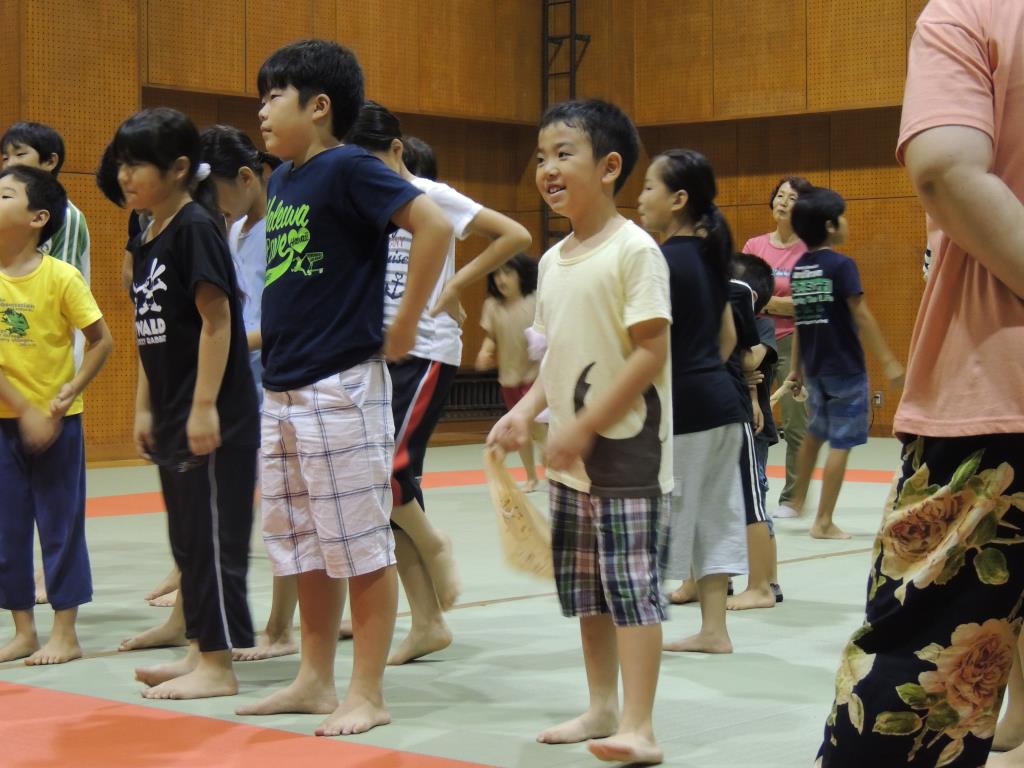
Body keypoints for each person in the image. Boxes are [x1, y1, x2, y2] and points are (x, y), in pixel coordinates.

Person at [817, 1, 1024, 765]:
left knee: (920, 668)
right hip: (840, 377)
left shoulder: (972, 11)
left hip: (991, 397)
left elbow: (943, 168)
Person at [235, 40, 451, 737]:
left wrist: (407, 319)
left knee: (359, 545)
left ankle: (368, 693)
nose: (262, 110)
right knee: (304, 545)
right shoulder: (283, 182)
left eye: (274, 96)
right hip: (284, 389)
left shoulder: (352, 167)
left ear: (319, 106)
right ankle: (314, 680)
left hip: (340, 387)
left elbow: (433, 223)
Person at [489, 98, 671, 766]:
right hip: (570, 459)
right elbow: (556, 359)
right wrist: (526, 411)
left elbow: (650, 353)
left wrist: (588, 426)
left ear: (610, 166)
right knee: (589, 589)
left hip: (627, 455)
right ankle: (600, 706)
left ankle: (639, 725)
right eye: (541, 156)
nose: (548, 168)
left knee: (632, 589)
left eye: (564, 153)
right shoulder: (553, 260)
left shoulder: (635, 251)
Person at [116, 107, 260, 700]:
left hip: (215, 412)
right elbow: (148, 332)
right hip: (173, 406)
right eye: (121, 164)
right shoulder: (149, 233)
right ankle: (201, 650)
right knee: (187, 540)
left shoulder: (196, 227)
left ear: (178, 168)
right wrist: (145, 407)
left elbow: (217, 321)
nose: (125, 176)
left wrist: (205, 406)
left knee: (214, 539)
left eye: (137, 164)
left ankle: (220, 667)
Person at [0, 165, 112, 665]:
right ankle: (23, 630)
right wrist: (25, 410)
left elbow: (101, 341)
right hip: (9, 423)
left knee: (61, 526)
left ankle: (66, 633)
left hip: (58, 425)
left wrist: (71, 391)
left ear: (38, 217)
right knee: (7, 529)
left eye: (6, 194)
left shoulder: (62, 277)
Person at [637, 149, 748, 655]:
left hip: (683, 409)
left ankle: (639, 632)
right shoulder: (710, 257)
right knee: (714, 514)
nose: (641, 198)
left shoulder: (660, 261)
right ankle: (714, 629)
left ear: (678, 199)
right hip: (721, 403)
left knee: (666, 516)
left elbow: (646, 345)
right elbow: (727, 339)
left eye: (649, 188)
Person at [2, 121, 92, 605]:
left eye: (18, 156)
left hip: (54, 383)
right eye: (3, 159)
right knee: (10, 518)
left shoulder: (65, 224)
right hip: (11, 395)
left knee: (59, 515)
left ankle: (60, 602)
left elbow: (81, 327)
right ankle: (22, 615)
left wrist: (67, 388)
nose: (7, 166)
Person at [784, 187, 904, 541]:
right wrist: (888, 360)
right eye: (842, 216)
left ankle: (798, 498)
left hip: (816, 369)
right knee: (841, 443)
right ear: (830, 225)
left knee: (816, 432)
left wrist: (796, 368)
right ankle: (823, 521)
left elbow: (800, 322)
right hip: (846, 369)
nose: (846, 222)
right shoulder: (841, 265)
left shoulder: (800, 268)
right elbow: (861, 314)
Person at [742, 175, 814, 518]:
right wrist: (781, 304)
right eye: (780, 195)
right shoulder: (754, 246)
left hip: (795, 343)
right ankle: (752, 485)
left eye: (792, 197)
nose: (784, 202)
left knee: (797, 422)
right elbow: (741, 295)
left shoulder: (810, 250)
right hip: (756, 340)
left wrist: (766, 301)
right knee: (752, 416)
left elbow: (809, 305)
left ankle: (792, 498)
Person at [727, 252, 783, 610]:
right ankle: (720, 577)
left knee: (754, 499)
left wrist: (737, 365)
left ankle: (768, 579)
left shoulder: (762, 326)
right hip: (727, 421)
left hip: (754, 429)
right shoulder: (723, 323)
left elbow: (751, 360)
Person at [477, 253, 543, 491]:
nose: (501, 279)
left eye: (507, 273)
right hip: (509, 379)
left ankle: (554, 470)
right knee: (520, 429)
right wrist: (485, 351)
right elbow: (491, 337)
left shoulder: (535, 301)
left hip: (534, 377)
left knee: (540, 428)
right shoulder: (492, 306)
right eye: (496, 274)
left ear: (521, 275)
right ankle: (531, 476)